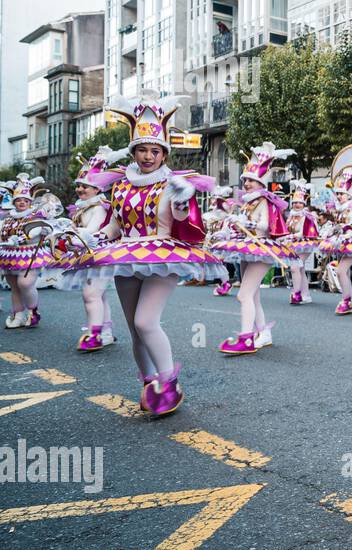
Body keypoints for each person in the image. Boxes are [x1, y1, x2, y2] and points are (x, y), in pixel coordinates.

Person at [60, 93, 226, 416]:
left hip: (162, 257)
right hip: (126, 258)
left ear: (164, 153)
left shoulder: (172, 184)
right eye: (142, 149)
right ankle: (150, 382)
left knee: (145, 321)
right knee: (135, 329)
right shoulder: (121, 186)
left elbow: (181, 221)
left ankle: (169, 382)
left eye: (155, 150)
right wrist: (94, 237)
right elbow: (115, 226)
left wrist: (180, 201)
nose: (148, 156)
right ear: (133, 151)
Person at [208, 142, 301, 354]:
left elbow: (265, 227)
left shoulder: (264, 202)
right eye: (245, 180)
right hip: (248, 248)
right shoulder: (249, 202)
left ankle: (246, 338)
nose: (247, 183)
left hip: (262, 249)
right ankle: (263, 332)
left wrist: (243, 223)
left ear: (261, 183)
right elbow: (241, 225)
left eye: (251, 180)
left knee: (243, 295)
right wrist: (228, 230)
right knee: (253, 294)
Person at [62, 148, 127, 350]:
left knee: (91, 294)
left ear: (98, 189)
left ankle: (96, 334)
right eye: (79, 186)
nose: (81, 189)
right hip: (92, 254)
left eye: (86, 186)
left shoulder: (98, 207)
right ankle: (103, 332)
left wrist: (72, 232)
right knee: (96, 294)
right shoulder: (84, 207)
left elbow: (92, 231)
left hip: (100, 255)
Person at [0, 174, 54, 328]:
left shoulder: (36, 215)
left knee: (25, 283)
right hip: (9, 255)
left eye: (25, 200)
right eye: (18, 200)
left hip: (30, 254)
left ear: (30, 201)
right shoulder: (9, 218)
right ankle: (18, 314)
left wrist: (43, 231)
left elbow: (40, 231)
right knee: (14, 286)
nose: (22, 202)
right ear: (14, 201)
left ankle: (33, 311)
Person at [318, 171, 352, 315]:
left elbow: (351, 227)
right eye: (338, 194)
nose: (339, 196)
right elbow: (337, 226)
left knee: (340, 270)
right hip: (342, 242)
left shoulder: (350, 209)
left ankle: (348, 300)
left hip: (351, 242)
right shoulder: (339, 210)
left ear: (348, 195)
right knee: (345, 272)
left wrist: (342, 235)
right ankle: (349, 301)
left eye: (342, 194)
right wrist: (330, 232)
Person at [285, 180, 320, 305]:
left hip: (306, 244)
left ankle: (297, 293)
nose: (297, 205)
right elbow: (286, 229)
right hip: (294, 244)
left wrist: (292, 236)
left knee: (295, 267)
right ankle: (306, 294)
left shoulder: (307, 216)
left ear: (304, 203)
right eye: (295, 203)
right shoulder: (291, 216)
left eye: (300, 203)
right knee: (300, 268)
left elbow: (305, 232)